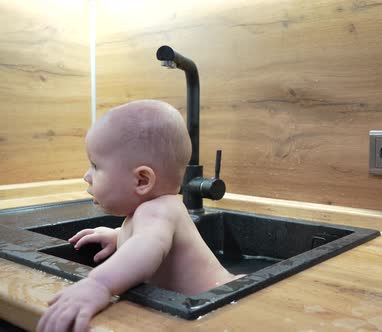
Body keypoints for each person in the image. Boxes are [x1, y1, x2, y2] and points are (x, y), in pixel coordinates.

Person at [37, 100, 241, 332]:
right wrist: (117, 235)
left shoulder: (158, 210)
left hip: (221, 305)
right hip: (211, 302)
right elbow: (146, 239)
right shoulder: (152, 213)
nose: (87, 176)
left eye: (95, 166)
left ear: (142, 180)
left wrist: (98, 284)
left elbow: (147, 246)